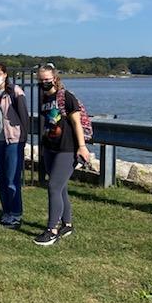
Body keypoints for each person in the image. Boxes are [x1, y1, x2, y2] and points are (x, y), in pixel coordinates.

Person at [34, 63, 90, 246]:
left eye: (47, 79)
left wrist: (82, 147)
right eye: (40, 80)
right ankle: (67, 224)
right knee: (61, 187)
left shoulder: (66, 97)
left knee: (53, 187)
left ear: (55, 79)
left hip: (67, 148)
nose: (44, 82)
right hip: (51, 147)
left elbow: (76, 123)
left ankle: (52, 230)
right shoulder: (44, 98)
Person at [0, 62, 29, 229]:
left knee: (11, 179)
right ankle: (6, 212)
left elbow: (24, 116)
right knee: (0, 179)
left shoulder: (15, 92)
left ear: (5, 74)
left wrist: (23, 138)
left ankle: (15, 214)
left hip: (13, 141)